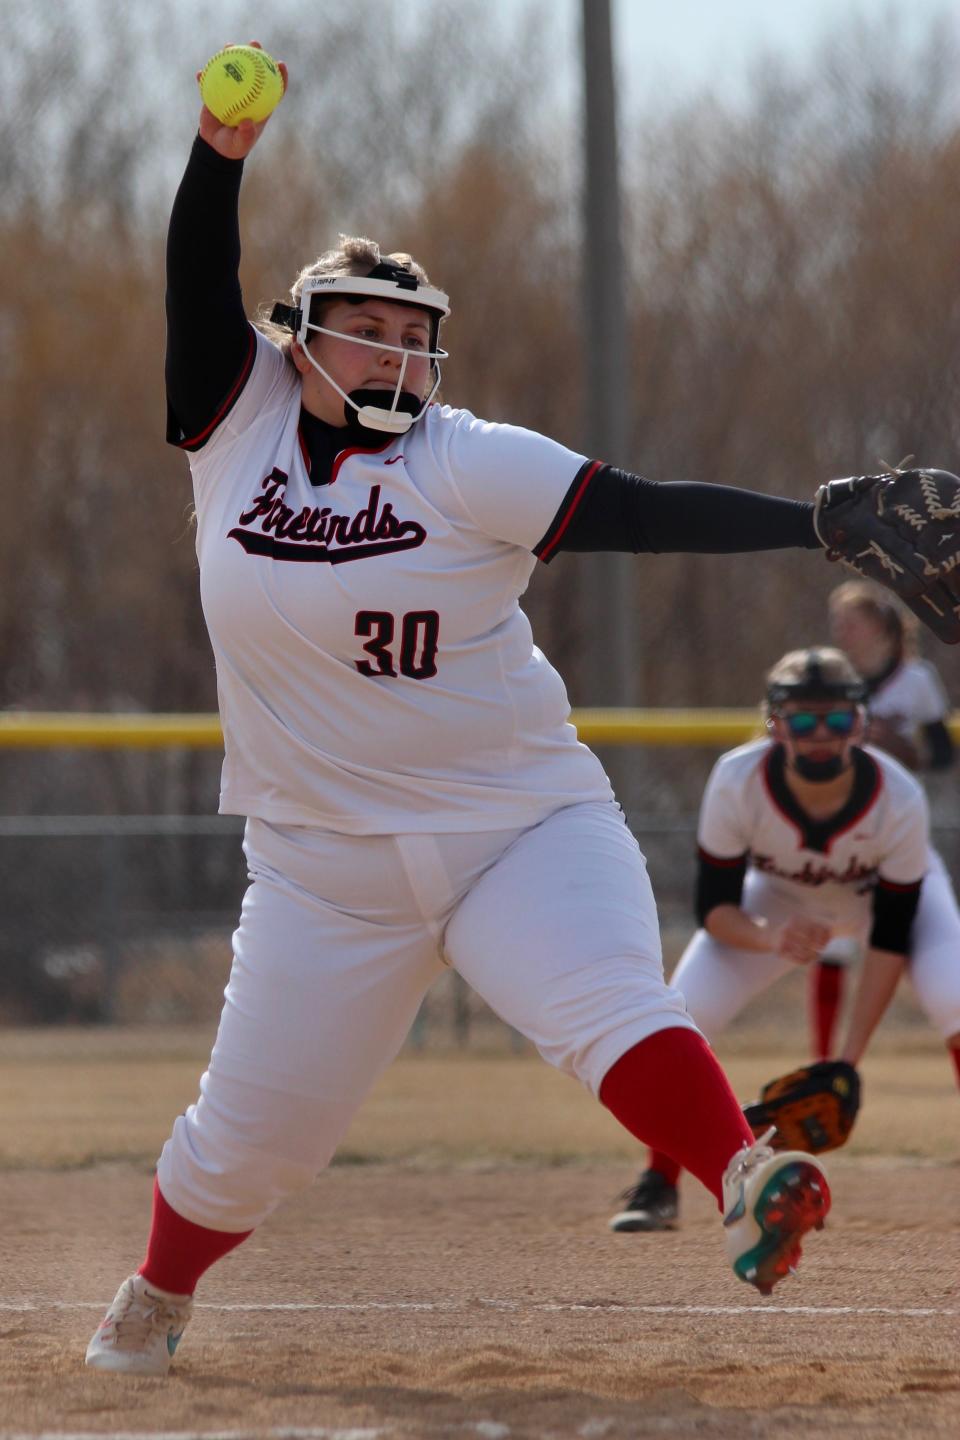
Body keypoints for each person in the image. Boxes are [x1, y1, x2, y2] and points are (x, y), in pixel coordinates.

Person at [84, 43, 867, 1376]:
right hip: (323, 867)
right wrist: (219, 159)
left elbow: (640, 511)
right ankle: (157, 1294)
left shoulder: (466, 461)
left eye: (414, 336)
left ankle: (744, 1175)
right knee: (251, 1140)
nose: (397, 351)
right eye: (367, 329)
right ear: (301, 339)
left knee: (609, 1005)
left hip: (515, 825)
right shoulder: (239, 421)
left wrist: (821, 525)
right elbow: (191, 285)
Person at [608, 646, 960, 1235]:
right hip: (778, 903)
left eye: (837, 719)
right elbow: (713, 909)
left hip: (885, 905)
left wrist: (846, 1062)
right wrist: (772, 937)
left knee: (954, 997)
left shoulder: (897, 796)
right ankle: (659, 1183)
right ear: (774, 724)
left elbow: (892, 937)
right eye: (801, 719)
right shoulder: (738, 779)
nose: (819, 734)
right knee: (679, 1013)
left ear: (862, 724)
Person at [806, 581, 959, 1060]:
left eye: (851, 621)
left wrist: (899, 744)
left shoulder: (915, 679)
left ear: (882, 628)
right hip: (836, 828)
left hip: (896, 827)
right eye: (838, 623)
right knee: (830, 945)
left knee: (931, 952)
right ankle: (824, 1061)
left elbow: (941, 755)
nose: (841, 631)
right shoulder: (830, 676)